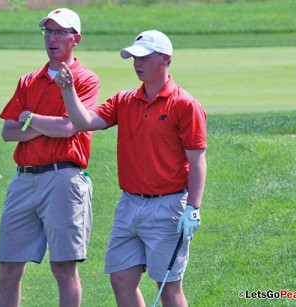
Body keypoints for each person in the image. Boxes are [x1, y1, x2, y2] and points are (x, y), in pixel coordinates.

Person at [55, 30, 207, 306]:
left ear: (165, 59)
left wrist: (193, 208)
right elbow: (85, 122)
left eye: (144, 57)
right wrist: (68, 91)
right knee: (121, 278)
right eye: (134, 57)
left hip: (169, 207)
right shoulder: (124, 100)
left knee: (168, 287)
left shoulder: (185, 105)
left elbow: (197, 160)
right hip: (129, 205)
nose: (137, 63)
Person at [0, 8, 100, 307]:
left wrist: (29, 118)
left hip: (63, 178)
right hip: (24, 178)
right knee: (9, 267)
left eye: (60, 33)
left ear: (75, 39)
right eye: (48, 32)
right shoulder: (29, 80)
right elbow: (8, 131)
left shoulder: (86, 79)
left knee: (63, 268)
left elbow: (70, 127)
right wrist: (44, 125)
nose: (52, 39)